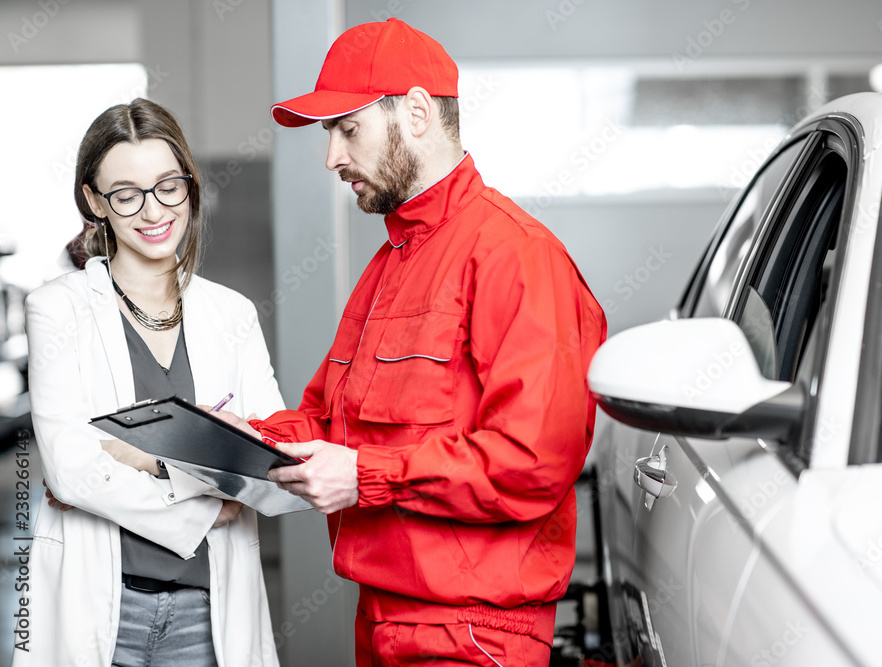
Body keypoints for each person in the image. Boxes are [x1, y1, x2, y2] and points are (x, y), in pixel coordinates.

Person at [238, 17, 606, 666]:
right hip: (381, 618)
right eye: (329, 135)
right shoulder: (388, 266)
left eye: (347, 129)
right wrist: (234, 438)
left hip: (472, 634)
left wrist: (368, 475)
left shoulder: (516, 256)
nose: (332, 157)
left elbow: (531, 462)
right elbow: (329, 423)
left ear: (414, 112)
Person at [17, 98, 283, 666]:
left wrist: (134, 452)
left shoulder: (232, 315)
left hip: (206, 613)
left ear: (188, 184)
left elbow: (276, 470)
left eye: (168, 186)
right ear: (95, 201)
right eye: (126, 193)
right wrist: (206, 490)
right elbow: (71, 472)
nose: (153, 210)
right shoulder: (56, 310)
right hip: (100, 606)